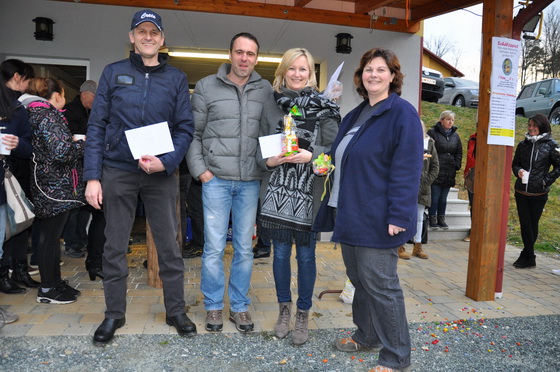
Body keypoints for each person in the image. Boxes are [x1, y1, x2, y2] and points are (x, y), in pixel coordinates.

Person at [84, 9, 196, 343]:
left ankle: (176, 311)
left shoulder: (175, 78)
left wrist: (168, 161)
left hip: (160, 174)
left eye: (154, 32)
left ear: (162, 39)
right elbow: (97, 125)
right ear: (132, 37)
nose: (148, 37)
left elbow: (185, 128)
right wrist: (93, 176)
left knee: (170, 247)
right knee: (114, 247)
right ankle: (114, 315)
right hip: (118, 170)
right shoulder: (113, 73)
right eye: (141, 31)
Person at [314, 48, 422, 372]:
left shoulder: (402, 114)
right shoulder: (355, 114)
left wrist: (399, 217)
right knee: (359, 280)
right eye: (367, 70)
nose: (373, 74)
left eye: (380, 69)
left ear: (392, 76)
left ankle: (396, 357)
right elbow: (342, 156)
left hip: (378, 218)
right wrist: (325, 163)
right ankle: (367, 335)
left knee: (382, 286)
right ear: (360, 77)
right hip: (348, 212)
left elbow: (407, 169)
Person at [186, 32, 272, 333]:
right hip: (216, 181)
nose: (244, 58)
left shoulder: (266, 89)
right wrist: (201, 171)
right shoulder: (207, 87)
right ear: (230, 54)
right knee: (212, 248)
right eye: (239, 52)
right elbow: (193, 133)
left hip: (250, 182)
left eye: (250, 53)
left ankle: (239, 307)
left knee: (245, 249)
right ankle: (212, 307)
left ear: (256, 58)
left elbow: (273, 134)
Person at [258, 48, 339, 345]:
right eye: (292, 68)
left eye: (303, 69)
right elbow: (259, 145)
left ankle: (303, 312)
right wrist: (269, 160)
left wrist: (312, 155)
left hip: (308, 191)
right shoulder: (270, 104)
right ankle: (284, 309)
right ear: (283, 71)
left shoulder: (326, 105)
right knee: (279, 254)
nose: (297, 74)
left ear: (311, 73)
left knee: (305, 255)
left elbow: (334, 151)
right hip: (277, 189)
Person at [25, 77, 85, 304]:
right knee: (49, 238)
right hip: (53, 185)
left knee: (50, 237)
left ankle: (54, 282)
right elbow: (61, 152)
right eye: (64, 94)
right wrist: (82, 144)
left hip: (52, 183)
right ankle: (48, 288)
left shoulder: (40, 113)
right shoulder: (46, 115)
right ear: (57, 95)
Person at [0, 59, 35, 294]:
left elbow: (29, 146)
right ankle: (5, 274)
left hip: (16, 176)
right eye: (27, 78)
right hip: (5, 179)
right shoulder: (12, 107)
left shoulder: (18, 108)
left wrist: (18, 143)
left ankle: (19, 270)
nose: (29, 84)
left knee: (21, 223)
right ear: (16, 76)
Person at [511, 114, 560, 269]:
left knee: (533, 224)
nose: (531, 128)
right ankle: (529, 255)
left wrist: (546, 180)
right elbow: (515, 164)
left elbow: (559, 166)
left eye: (534, 125)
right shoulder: (522, 144)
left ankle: (527, 255)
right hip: (521, 191)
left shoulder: (552, 145)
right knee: (525, 224)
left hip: (539, 192)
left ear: (542, 126)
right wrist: (518, 171)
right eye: (529, 125)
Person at [62, 80, 97, 259]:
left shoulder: (87, 111)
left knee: (84, 206)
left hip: (85, 165)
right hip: (73, 166)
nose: (95, 100)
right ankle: (72, 243)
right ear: (85, 94)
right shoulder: (70, 111)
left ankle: (81, 239)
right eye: (94, 97)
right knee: (74, 207)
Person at [398, 120, 439, 260]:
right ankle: (400, 245)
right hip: (407, 185)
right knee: (403, 215)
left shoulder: (430, 143)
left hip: (423, 187)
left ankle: (418, 245)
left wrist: (426, 183)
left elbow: (435, 166)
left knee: (419, 217)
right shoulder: (405, 141)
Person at [427, 110, 462, 229]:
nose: (450, 122)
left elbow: (459, 151)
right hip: (436, 169)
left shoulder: (455, 135)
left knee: (443, 197)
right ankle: (432, 217)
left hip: (449, 170)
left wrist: (456, 164)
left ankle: (441, 217)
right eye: (448, 119)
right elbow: (428, 149)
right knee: (435, 196)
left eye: (452, 120)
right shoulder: (432, 132)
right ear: (441, 120)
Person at [463, 132, 477, 242]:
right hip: (472, 174)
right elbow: (470, 156)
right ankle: (473, 231)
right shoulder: (473, 138)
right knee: (473, 204)